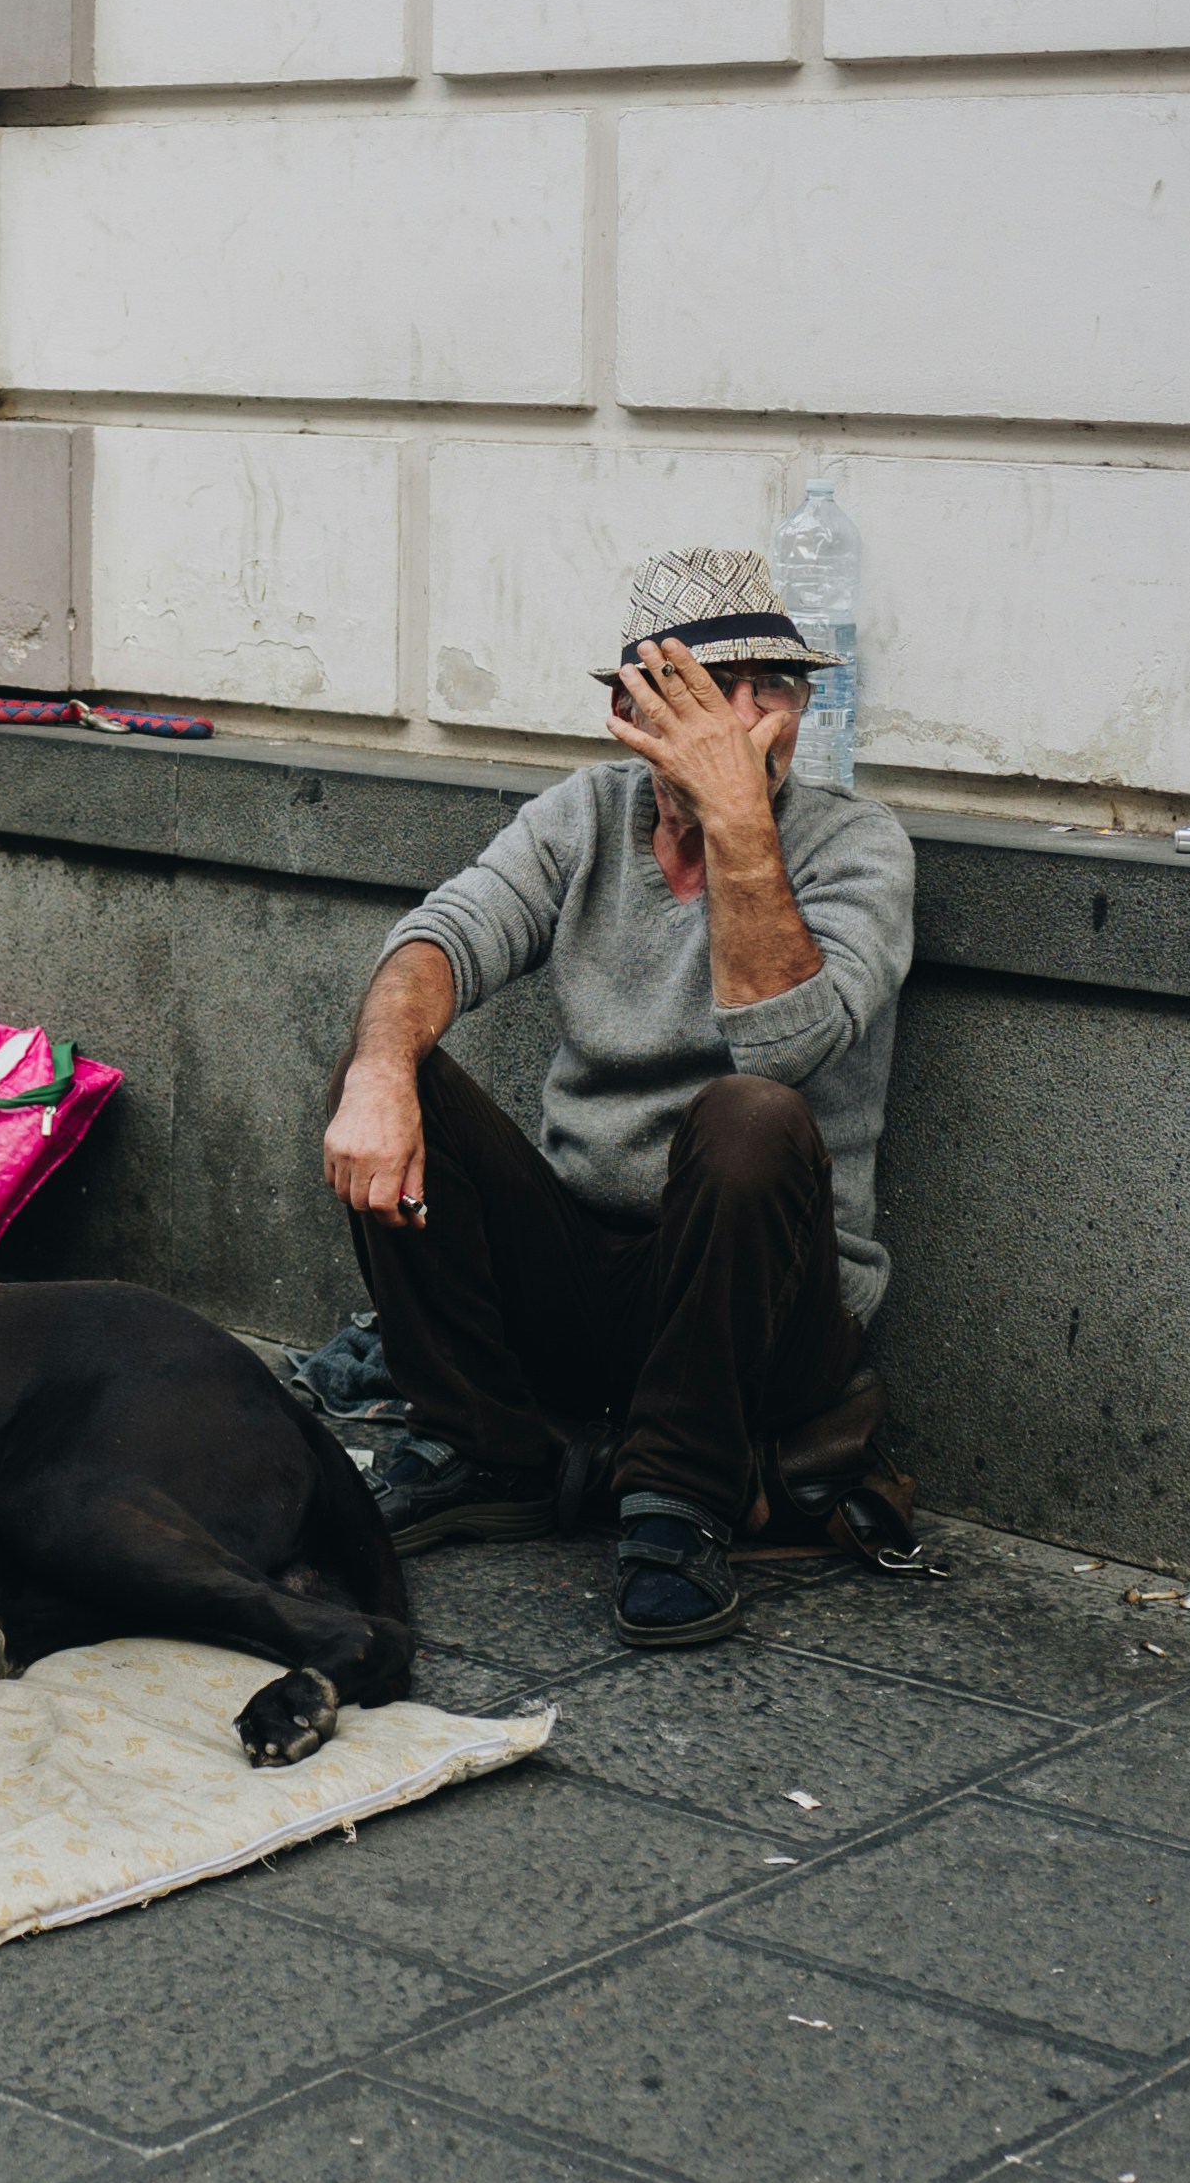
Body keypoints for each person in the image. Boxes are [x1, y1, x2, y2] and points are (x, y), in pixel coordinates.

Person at [321, 548, 915, 1647]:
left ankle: (682, 1499)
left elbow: (783, 1051)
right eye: (702, 693)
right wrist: (379, 1072)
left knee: (748, 1116)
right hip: (589, 1272)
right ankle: (483, 1443)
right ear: (631, 715)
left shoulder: (857, 844)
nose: (746, 720)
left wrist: (739, 827)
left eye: (771, 691)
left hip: (765, 1306)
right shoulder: (585, 817)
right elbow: (443, 936)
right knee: (390, 1054)